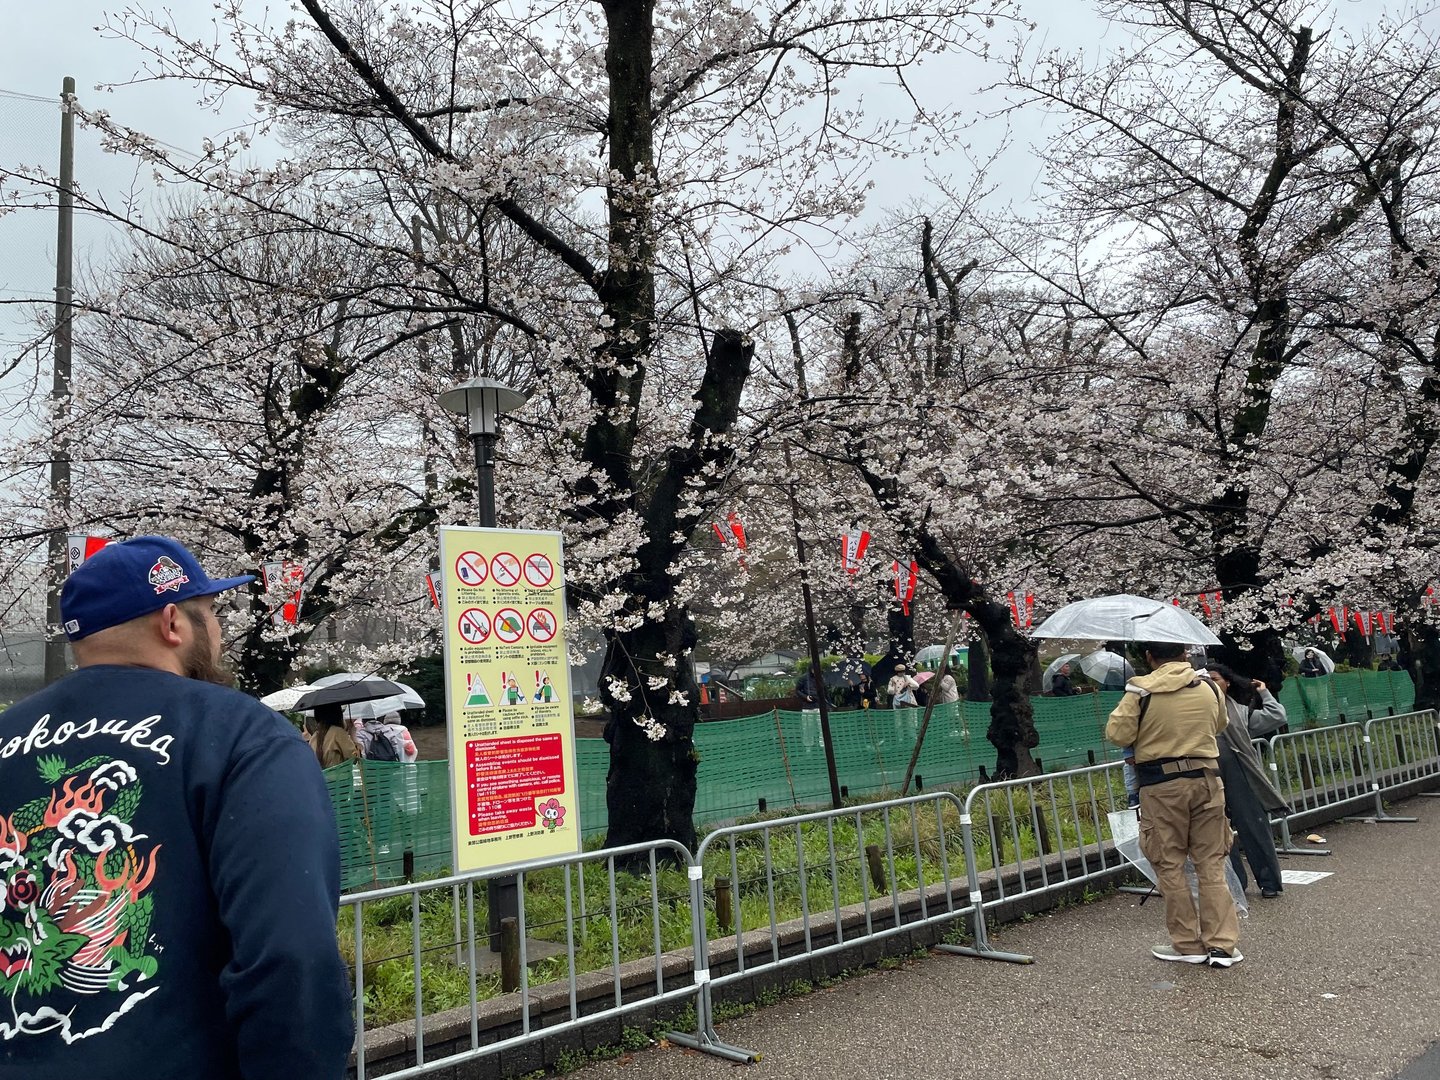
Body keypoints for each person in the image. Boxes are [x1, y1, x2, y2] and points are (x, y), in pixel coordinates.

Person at [0, 536, 353, 1077]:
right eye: (211, 614)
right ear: (173, 623)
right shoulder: (241, 735)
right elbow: (290, 957)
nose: (219, 633)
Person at [1106, 640, 1241, 968]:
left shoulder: (1140, 692)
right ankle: (1222, 945)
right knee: (1211, 861)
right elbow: (1219, 724)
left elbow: (1117, 734)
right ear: (1185, 654)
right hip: (1207, 781)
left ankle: (1187, 944)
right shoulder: (1209, 687)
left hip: (1161, 785)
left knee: (1169, 865)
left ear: (1150, 657)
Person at [1207, 663, 1289, 899]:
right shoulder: (1197, 710)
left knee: (1254, 826)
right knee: (1218, 830)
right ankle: (1234, 884)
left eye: (1216, 679)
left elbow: (1277, 716)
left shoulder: (1240, 711)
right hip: (1209, 774)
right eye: (1206, 680)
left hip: (1240, 772)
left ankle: (1269, 881)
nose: (1211, 684)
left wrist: (1264, 693)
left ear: (1228, 682)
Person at [309, 703, 362, 767]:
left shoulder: (314, 736)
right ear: (338, 714)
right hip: (339, 775)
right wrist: (352, 734)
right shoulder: (338, 733)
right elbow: (354, 758)